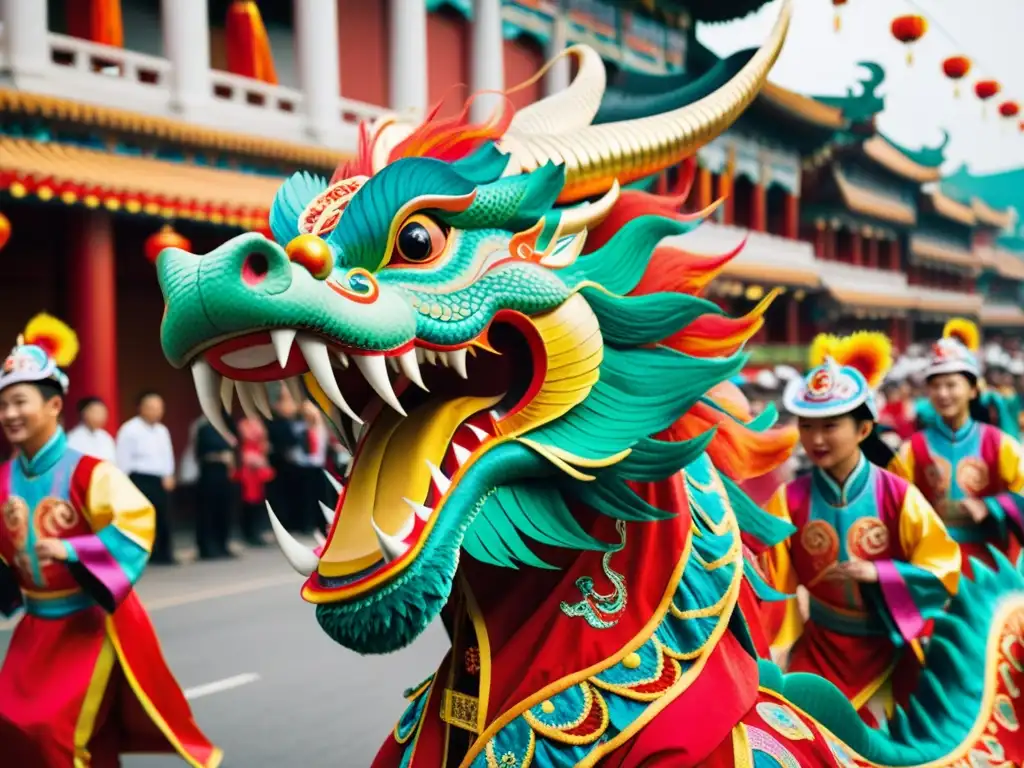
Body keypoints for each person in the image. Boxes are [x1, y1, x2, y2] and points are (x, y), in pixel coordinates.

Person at [0, 313, 221, 767]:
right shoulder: (3, 480)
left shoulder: (89, 472)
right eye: (3, 405)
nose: (9, 414)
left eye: (19, 401)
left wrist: (72, 549)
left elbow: (136, 523)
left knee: (52, 734)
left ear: (54, 406)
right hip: (33, 631)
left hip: (85, 628)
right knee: (16, 727)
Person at [764, 331, 960, 727]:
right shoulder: (789, 499)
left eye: (830, 426)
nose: (816, 439)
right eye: (807, 425)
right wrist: (775, 649)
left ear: (863, 430)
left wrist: (881, 572)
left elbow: (944, 569)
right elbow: (771, 587)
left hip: (888, 649)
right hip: (817, 652)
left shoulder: (898, 495)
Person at [891, 319, 1024, 575]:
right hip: (933, 564)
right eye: (935, 386)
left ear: (973, 390)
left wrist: (991, 507)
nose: (943, 394)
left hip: (989, 562)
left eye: (951, 385)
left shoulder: (999, 444)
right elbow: (895, 505)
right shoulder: (912, 449)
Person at [116, 391, 177, 565]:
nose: (156, 411)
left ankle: (164, 554)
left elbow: (167, 454)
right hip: (139, 479)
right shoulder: (130, 429)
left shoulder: (162, 430)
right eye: (151, 407)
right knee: (141, 519)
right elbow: (123, 458)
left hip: (159, 479)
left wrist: (169, 474)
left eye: (159, 408)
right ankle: (141, 555)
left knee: (163, 517)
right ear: (140, 408)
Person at [195, 411, 238, 559]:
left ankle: (223, 544)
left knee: (224, 511)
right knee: (208, 512)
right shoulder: (203, 429)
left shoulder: (227, 430)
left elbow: (234, 447)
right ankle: (207, 548)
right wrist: (220, 456)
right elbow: (200, 453)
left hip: (225, 475)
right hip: (209, 474)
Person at [233, 416, 274, 547]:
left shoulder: (258, 422)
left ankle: (257, 531)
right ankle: (248, 532)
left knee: (259, 499)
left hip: (258, 463)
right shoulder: (242, 424)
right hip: (247, 466)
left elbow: (264, 441)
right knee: (248, 498)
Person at [66, 396, 116, 462]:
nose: (101, 416)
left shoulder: (106, 437)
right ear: (84, 413)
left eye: (103, 412)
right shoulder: (73, 438)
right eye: (97, 412)